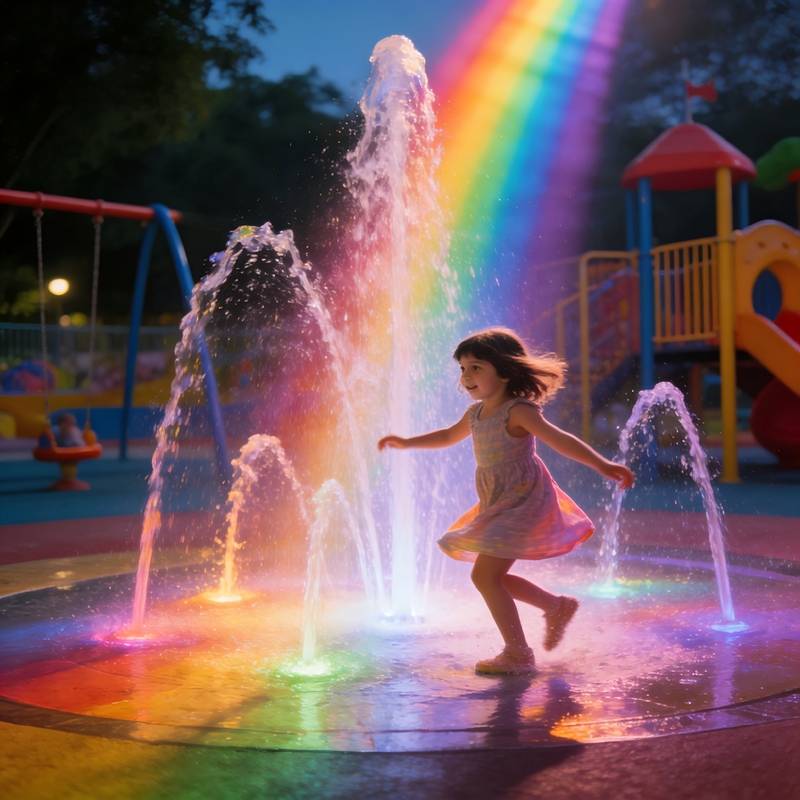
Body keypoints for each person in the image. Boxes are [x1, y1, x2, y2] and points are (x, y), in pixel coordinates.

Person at [378, 327, 634, 675]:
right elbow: (447, 436)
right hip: (498, 500)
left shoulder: (518, 410)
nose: (466, 376)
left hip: (523, 498)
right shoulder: (476, 414)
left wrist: (602, 464)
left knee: (485, 577)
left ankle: (518, 652)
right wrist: (407, 443)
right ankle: (554, 607)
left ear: (505, 371)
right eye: (463, 369)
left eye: (476, 367)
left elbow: (560, 440)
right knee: (488, 576)